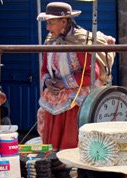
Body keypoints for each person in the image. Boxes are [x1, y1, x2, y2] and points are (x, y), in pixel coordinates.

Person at [36, 2, 115, 151]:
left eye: (51, 23)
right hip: (56, 92)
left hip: (78, 92)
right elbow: (44, 68)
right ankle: (54, 159)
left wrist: (63, 83)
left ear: (64, 21)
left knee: (72, 111)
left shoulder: (80, 41)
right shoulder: (51, 41)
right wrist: (48, 81)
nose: (47, 28)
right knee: (47, 111)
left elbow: (93, 73)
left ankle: (69, 159)